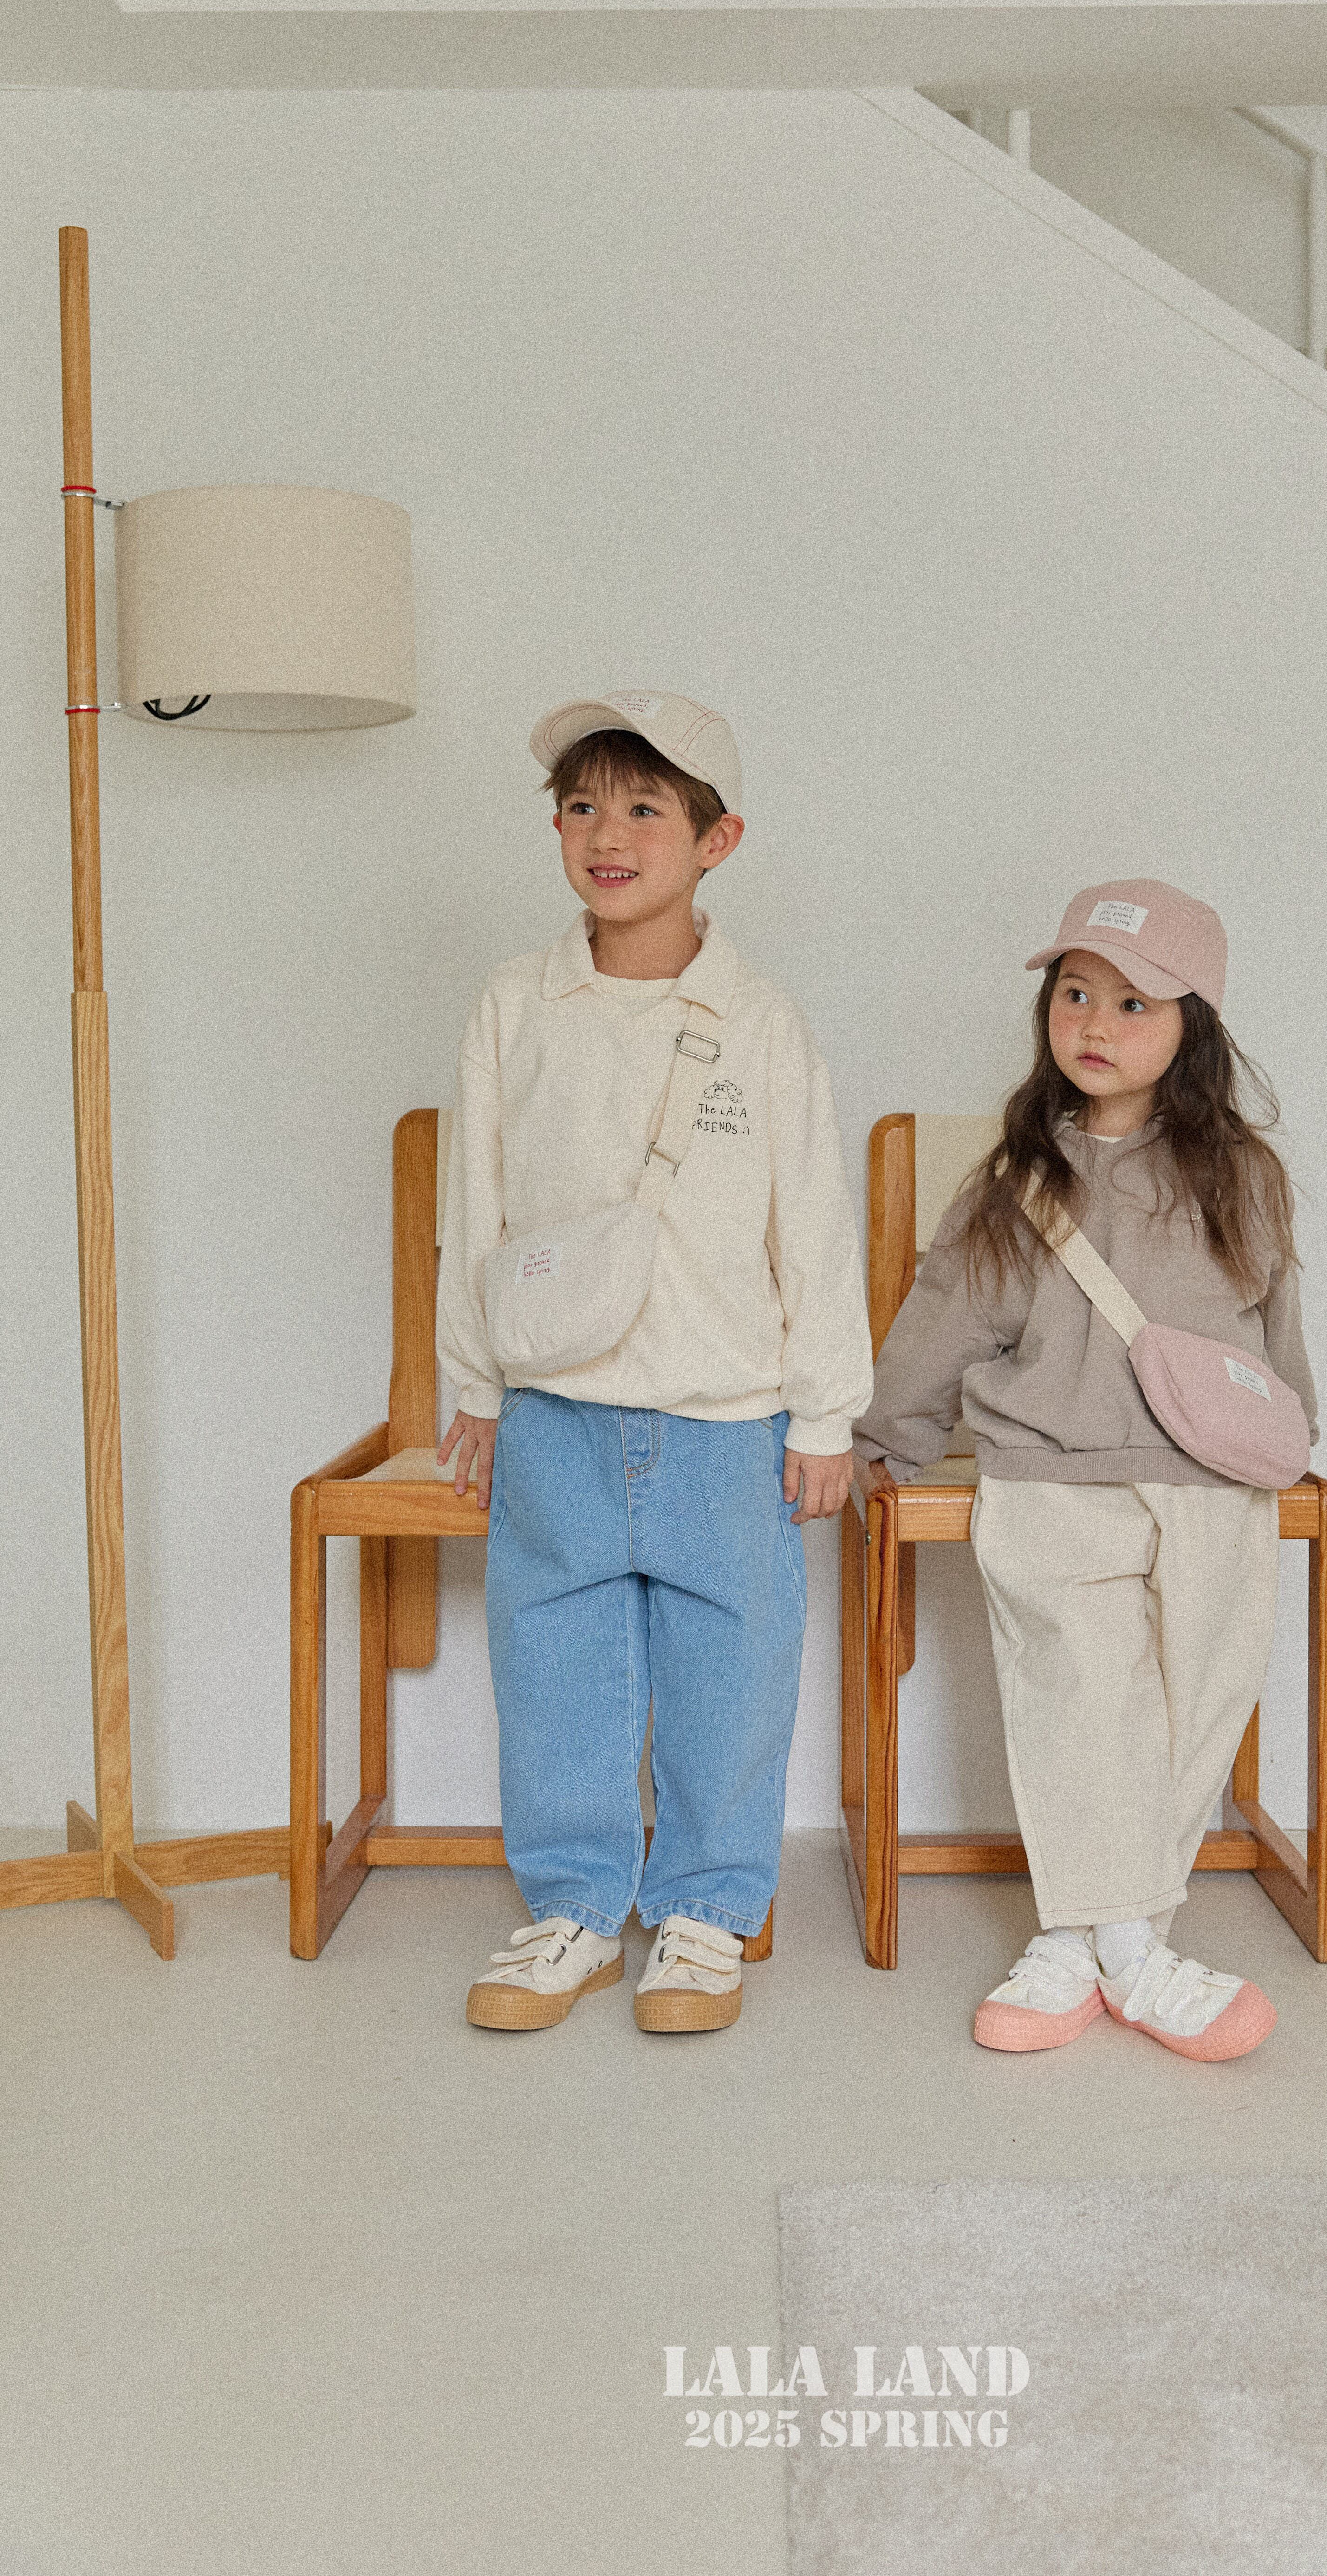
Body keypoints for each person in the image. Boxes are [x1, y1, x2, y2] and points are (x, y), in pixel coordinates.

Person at [436, 692, 872, 2036]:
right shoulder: (517, 1006)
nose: (605, 835)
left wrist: (827, 1414)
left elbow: (814, 1219)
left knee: (731, 1673)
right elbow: (476, 1206)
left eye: (642, 809)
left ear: (716, 840)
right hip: (557, 1408)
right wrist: (475, 1390)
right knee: (551, 1662)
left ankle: (704, 1915)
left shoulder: (762, 1022)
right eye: (580, 807)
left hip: (727, 1415)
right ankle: (572, 1909)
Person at [853, 878, 1316, 2061]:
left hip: (1211, 1484)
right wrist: (882, 1441)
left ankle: (1093, 1943)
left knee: (1198, 1702)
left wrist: (1289, 1435)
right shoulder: (1015, 1180)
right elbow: (943, 1318)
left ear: (1191, 1025)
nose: (1093, 1024)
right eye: (1073, 994)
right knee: (1079, 1699)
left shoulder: (1243, 1176)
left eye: (1130, 1002)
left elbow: (1273, 1331)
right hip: (1049, 1475)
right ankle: (1121, 1955)